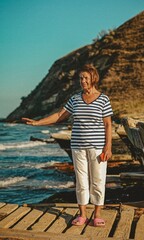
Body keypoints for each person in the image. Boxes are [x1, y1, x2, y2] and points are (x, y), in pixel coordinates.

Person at [22, 64, 113, 227]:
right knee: (81, 180)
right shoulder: (75, 99)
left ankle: (97, 214)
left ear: (93, 78)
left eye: (85, 78)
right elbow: (59, 115)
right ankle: (83, 214)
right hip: (77, 146)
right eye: (80, 78)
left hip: (97, 146)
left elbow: (107, 124)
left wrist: (108, 147)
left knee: (98, 180)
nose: (82, 81)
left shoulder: (103, 99)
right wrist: (38, 123)